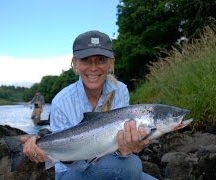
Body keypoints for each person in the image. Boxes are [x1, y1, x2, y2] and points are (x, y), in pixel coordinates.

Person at [21, 30, 157, 179]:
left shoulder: (120, 90)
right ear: (75, 63)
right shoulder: (61, 101)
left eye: (100, 60)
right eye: (85, 59)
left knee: (132, 167)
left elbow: (119, 149)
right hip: (71, 171)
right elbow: (71, 161)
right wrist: (42, 150)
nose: (93, 67)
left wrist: (126, 149)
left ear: (111, 63)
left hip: (112, 163)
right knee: (132, 166)